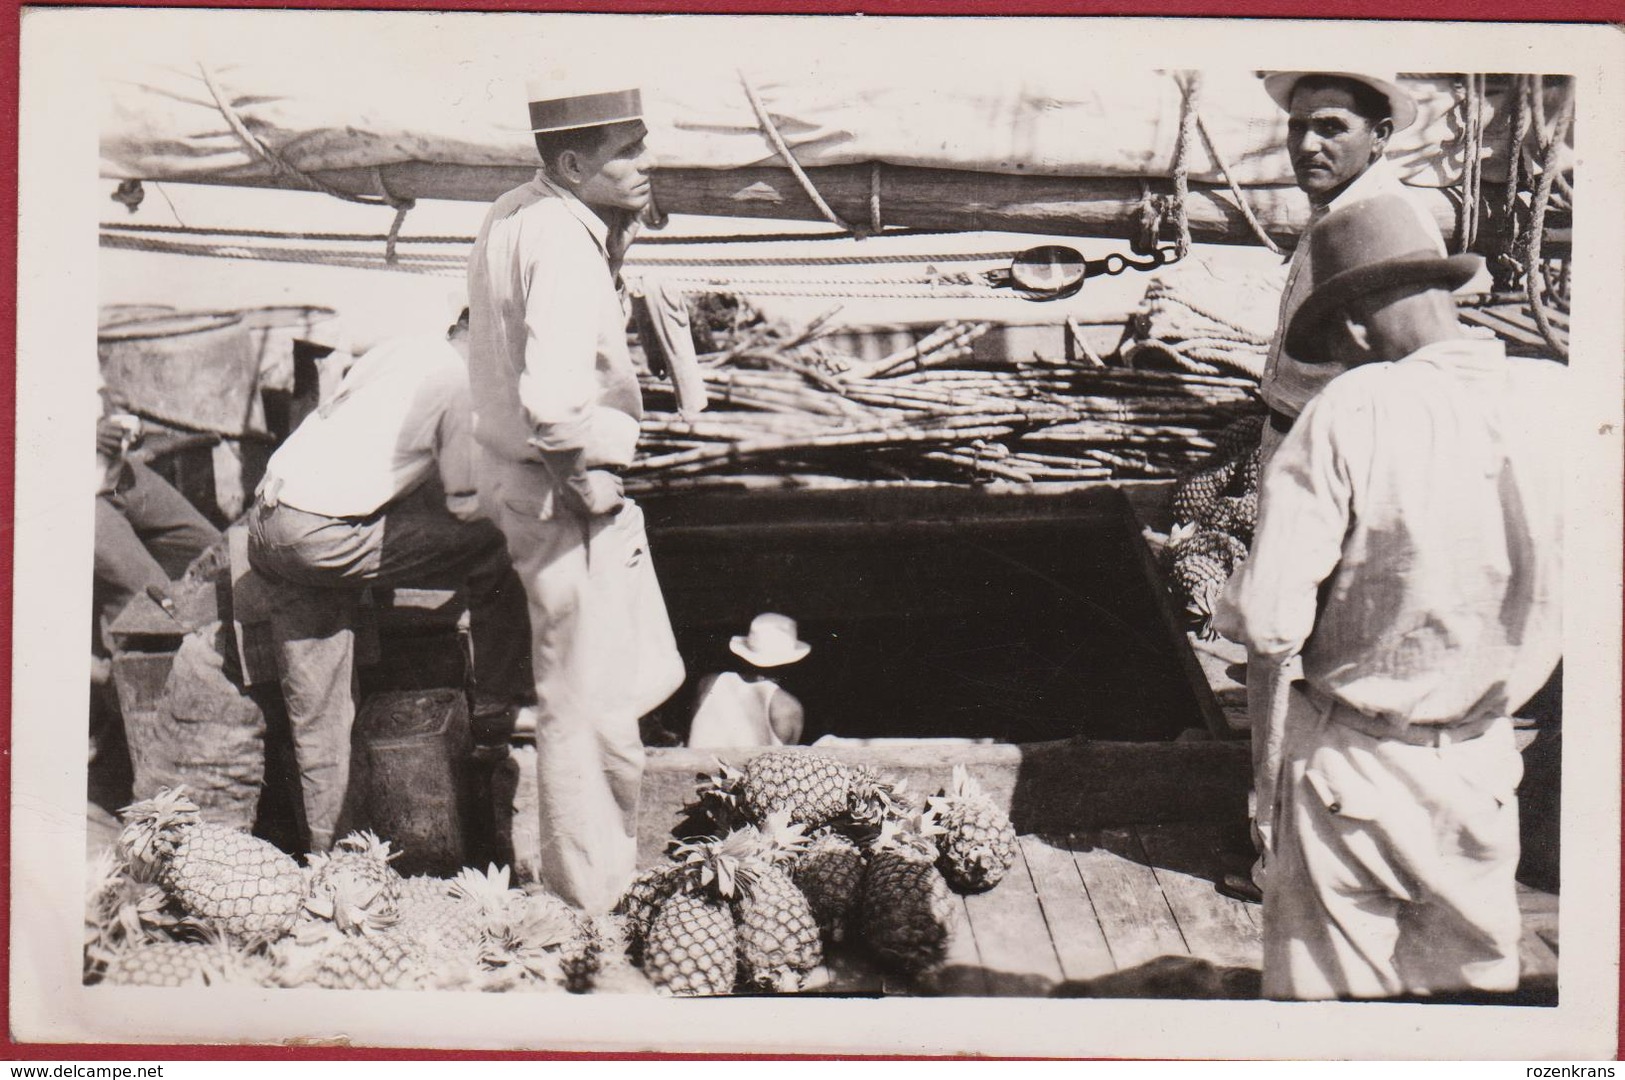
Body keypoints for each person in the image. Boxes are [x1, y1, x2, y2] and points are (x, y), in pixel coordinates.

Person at [1215, 194, 1564, 1000]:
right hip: (1483, 761)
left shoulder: (1354, 409)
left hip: (1354, 769)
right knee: (1469, 1005)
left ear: (1356, 329)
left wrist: (1237, 594)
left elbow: (1268, 626)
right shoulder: (1559, 400)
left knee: (1330, 1018)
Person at [1227, 70, 1447, 904]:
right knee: (1283, 652)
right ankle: (1291, 840)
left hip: (1332, 470)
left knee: (1282, 651)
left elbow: (1410, 359)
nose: (1307, 146)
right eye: (1296, 130)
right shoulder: (1345, 212)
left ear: (1380, 136)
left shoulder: (1377, 223)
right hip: (1303, 450)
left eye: (1331, 128)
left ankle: (1279, 857)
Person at [466, 83, 684, 913]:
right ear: (571, 163)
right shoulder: (559, 243)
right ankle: (592, 895)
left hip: (526, 486)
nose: (645, 163)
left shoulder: (516, 212)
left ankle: (590, 869)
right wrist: (584, 478)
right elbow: (554, 399)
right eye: (627, 152)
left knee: (607, 675)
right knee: (586, 701)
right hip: (561, 491)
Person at [246, 310, 533, 853]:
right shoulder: (460, 384)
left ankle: (333, 862)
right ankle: (498, 701)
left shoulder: (402, 344)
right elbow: (467, 504)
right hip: (317, 534)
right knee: (505, 536)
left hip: (268, 520)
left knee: (321, 714)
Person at [689, 613, 809, 749]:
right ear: (791, 661)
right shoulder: (786, 706)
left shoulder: (708, 682)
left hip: (692, 768)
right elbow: (785, 763)